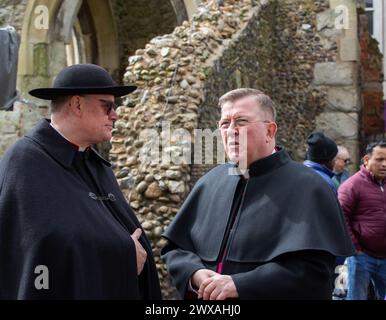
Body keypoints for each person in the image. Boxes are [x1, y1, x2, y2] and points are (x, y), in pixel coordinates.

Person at [161, 88, 355, 300]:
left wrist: (241, 285)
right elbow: (176, 249)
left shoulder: (309, 187)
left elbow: (314, 272)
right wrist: (194, 273)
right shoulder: (209, 182)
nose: (231, 130)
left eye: (241, 122)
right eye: (225, 124)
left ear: (270, 131)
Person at [0, 64, 161, 299]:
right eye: (107, 106)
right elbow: (41, 251)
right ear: (77, 105)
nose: (115, 115)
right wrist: (122, 255)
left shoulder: (92, 161)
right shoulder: (25, 162)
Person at [338, 141, 386, 300]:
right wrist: (356, 248)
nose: (384, 164)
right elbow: (341, 217)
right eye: (379, 159)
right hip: (362, 257)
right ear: (366, 160)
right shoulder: (352, 185)